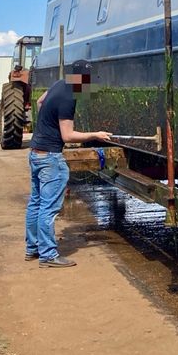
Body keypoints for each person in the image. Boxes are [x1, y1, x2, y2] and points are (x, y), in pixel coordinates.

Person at [25, 60, 111, 268]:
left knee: (35, 203)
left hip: (36, 153)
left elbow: (39, 103)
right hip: (51, 159)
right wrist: (95, 134)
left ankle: (32, 249)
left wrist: (46, 126)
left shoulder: (59, 84)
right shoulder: (68, 98)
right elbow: (68, 135)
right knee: (49, 207)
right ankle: (48, 255)